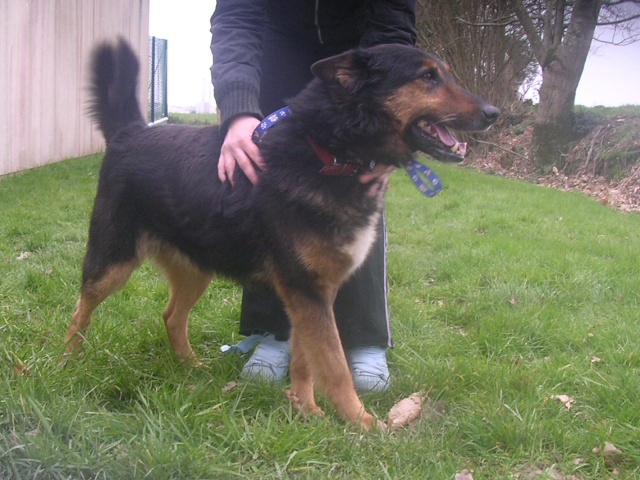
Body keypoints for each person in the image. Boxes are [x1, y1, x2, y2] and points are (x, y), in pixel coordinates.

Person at [210, 0, 417, 393]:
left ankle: (364, 337)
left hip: (363, 60)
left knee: (360, 185)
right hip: (275, 51)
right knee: (265, 178)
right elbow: (237, 16)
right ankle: (271, 331)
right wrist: (238, 109)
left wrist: (391, 132)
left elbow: (392, 26)